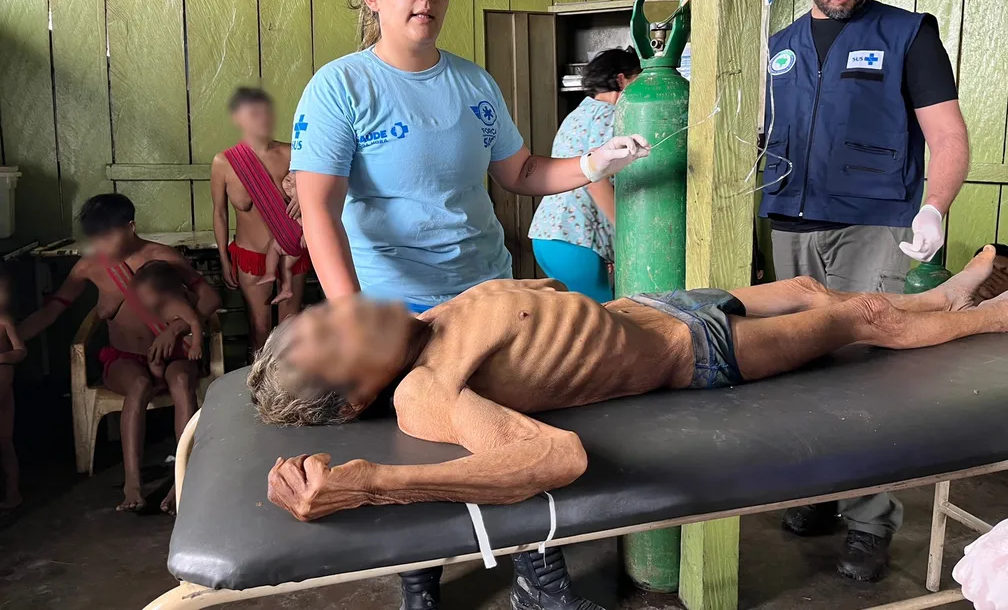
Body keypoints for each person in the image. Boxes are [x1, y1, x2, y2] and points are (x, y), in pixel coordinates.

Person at [288, 0, 649, 610]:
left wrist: (593, 164)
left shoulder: (474, 85)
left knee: (514, 434)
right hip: (401, 312)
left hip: (488, 298)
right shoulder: (341, 88)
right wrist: (352, 317)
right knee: (421, 444)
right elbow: (319, 211)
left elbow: (521, 172)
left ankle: (538, 573)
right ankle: (419, 576)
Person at [254, 249, 1004, 531]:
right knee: (858, 315)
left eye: (322, 317)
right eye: (332, 340)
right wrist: (378, 484)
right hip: (694, 348)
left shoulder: (430, 320)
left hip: (654, 306)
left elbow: (539, 299)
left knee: (807, 285)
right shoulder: (426, 391)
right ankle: (989, 314)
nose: (342, 311)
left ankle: (948, 299)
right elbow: (551, 458)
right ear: (355, 397)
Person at [760, 0, 970, 580]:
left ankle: (869, 521)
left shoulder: (908, 35)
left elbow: (948, 137)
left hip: (876, 223)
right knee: (797, 364)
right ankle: (818, 496)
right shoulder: (778, 45)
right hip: (790, 223)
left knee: (867, 369)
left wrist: (934, 207)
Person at [19, 194, 221, 513]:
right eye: (96, 237)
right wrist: (14, 337)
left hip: (173, 355)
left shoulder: (163, 257)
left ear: (131, 227)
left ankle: (185, 478)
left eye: (109, 235)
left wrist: (175, 330)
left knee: (182, 381)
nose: (103, 243)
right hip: (124, 358)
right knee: (138, 386)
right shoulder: (90, 266)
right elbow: (50, 312)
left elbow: (209, 298)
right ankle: (133, 483)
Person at [528, 48, 641, 301]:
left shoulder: (580, 113)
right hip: (574, 239)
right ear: (622, 80)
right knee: (604, 325)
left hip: (548, 235)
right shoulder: (610, 115)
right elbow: (596, 181)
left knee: (580, 321)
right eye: (639, 80)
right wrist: (627, 236)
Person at [211, 88, 311, 352]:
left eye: (266, 112)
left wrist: (305, 193)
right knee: (259, 329)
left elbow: (324, 193)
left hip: (292, 249)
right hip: (251, 255)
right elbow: (219, 213)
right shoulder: (224, 162)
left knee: (290, 330)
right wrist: (224, 258)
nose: (262, 119)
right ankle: (259, 388)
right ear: (238, 118)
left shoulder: (294, 154)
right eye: (253, 113)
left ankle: (289, 390)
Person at [130, 261, 205, 389]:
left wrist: (196, 346)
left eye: (144, 295)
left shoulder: (180, 306)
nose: (140, 299)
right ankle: (160, 384)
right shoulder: (154, 307)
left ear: (164, 292)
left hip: (185, 348)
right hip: (167, 348)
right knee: (154, 362)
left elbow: (195, 322)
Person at [0, 269, 26, 510]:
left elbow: (20, 351)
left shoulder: (5, 322)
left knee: (6, 444)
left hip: (4, 395)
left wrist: (2, 357)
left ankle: (13, 493)